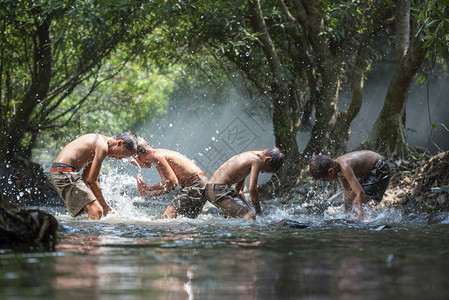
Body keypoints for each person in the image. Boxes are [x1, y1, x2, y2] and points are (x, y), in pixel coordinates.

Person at [50, 132, 139, 220]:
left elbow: (86, 178)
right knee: (96, 211)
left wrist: (97, 201)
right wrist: (105, 207)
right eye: (122, 155)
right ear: (119, 143)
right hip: (64, 173)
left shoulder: (98, 143)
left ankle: (78, 234)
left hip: (61, 172)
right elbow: (91, 180)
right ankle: (91, 234)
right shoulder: (102, 147)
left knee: (85, 214)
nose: (118, 158)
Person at [132, 137, 208, 219]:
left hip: (195, 183)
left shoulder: (156, 155)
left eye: (135, 162)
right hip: (198, 183)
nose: (138, 165)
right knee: (182, 221)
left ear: (137, 157)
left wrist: (148, 188)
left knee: (165, 218)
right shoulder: (157, 154)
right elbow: (169, 187)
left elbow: (171, 182)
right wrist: (149, 193)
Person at [309, 150, 391, 219]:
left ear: (331, 171)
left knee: (356, 203)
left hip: (380, 169)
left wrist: (361, 219)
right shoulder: (338, 168)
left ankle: (365, 220)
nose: (327, 182)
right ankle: (363, 216)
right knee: (352, 202)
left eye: (326, 179)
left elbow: (360, 193)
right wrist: (346, 213)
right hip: (371, 172)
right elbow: (347, 190)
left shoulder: (345, 167)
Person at [205, 148, 284, 219]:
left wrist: (249, 209)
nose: (262, 172)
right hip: (218, 191)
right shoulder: (256, 160)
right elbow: (252, 190)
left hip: (213, 190)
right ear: (267, 160)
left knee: (242, 217)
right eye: (265, 169)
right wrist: (259, 212)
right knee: (250, 217)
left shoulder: (248, 157)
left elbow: (239, 190)